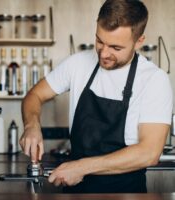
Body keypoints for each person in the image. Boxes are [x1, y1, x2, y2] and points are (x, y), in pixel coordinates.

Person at [19, 0, 173, 193]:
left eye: (116, 48)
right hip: (74, 192)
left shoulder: (153, 79)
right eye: (100, 41)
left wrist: (82, 167)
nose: (104, 53)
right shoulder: (78, 64)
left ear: (139, 41)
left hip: (126, 194)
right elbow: (35, 95)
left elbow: (149, 153)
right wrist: (31, 125)